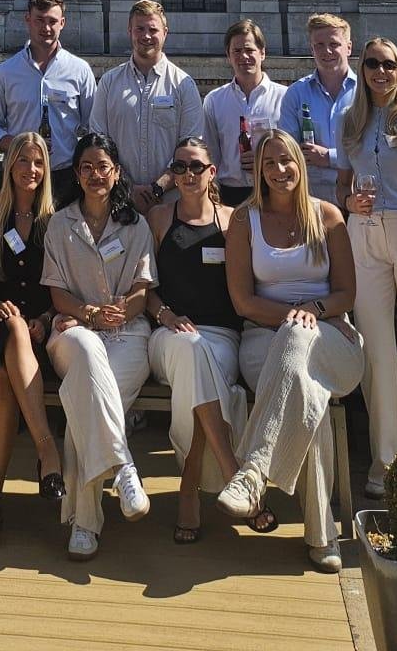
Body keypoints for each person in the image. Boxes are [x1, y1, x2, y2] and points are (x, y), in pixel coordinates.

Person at [218, 130, 363, 572]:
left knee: (302, 346)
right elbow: (243, 301)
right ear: (258, 171)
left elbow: (347, 293)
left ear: (300, 164)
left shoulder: (329, 216)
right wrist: (292, 316)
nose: (279, 170)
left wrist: (311, 310)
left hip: (333, 336)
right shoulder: (244, 221)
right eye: (269, 163)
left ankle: (254, 470)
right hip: (263, 337)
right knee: (309, 399)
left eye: (287, 161)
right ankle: (322, 538)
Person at [41, 131, 156, 560]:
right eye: (86, 167)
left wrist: (121, 313)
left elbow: (143, 291)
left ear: (117, 173)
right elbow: (56, 295)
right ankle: (124, 467)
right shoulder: (59, 223)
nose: (95, 175)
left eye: (102, 167)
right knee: (87, 356)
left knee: (84, 404)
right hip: (74, 330)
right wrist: (90, 314)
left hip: (128, 335)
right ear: (76, 172)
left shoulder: (137, 224)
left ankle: (84, 524)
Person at [335, 36, 397, 495]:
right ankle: (385, 459)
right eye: (372, 63)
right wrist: (349, 201)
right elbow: (342, 183)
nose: (380, 72)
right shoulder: (350, 120)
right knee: (377, 350)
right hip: (365, 231)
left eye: (389, 64)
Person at [144, 136, 246, 544]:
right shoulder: (158, 219)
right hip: (167, 333)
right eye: (180, 167)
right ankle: (232, 470)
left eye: (196, 166)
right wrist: (164, 314)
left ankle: (189, 487)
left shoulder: (233, 220)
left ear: (212, 172)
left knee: (199, 363)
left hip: (221, 336)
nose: (188, 174)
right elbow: (142, 288)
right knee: (190, 351)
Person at [0, 131, 64, 505]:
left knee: (0, 381)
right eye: (24, 160)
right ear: (10, 164)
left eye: (39, 161)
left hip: (42, 330)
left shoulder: (56, 221)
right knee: (12, 327)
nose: (31, 169)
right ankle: (47, 453)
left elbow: (62, 290)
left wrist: (43, 319)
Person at [0, 0, 96, 207]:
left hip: (65, 177)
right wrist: (16, 145)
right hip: (20, 174)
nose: (46, 28)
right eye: (39, 20)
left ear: (62, 23)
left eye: (52, 21)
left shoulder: (80, 71)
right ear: (28, 20)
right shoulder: (6, 71)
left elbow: (94, 127)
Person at [90, 0, 204, 211]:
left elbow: (191, 146)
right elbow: (99, 142)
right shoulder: (108, 83)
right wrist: (128, 187)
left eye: (153, 29)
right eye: (139, 29)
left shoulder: (184, 85)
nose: (146, 36)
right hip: (119, 202)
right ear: (129, 31)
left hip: (172, 204)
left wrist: (158, 187)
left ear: (165, 32)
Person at [203, 18, 288, 206]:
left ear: (262, 53)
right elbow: (211, 153)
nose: (244, 56)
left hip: (274, 191)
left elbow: (294, 151)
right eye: (237, 51)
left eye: (249, 50)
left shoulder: (285, 98)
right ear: (228, 55)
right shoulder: (214, 100)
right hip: (229, 194)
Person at [279, 13, 358, 203]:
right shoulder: (295, 94)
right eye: (319, 45)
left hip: (357, 198)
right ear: (312, 49)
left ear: (348, 47)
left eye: (334, 44)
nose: (327, 51)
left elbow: (371, 148)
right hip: (311, 199)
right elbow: (288, 150)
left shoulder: (365, 92)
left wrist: (328, 157)